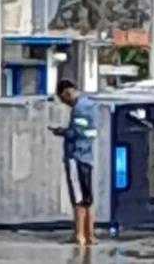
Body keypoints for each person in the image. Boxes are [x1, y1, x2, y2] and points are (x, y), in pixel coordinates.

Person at [52, 79, 97, 246]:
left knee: (78, 199)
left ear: (67, 92)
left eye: (63, 99)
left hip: (75, 157)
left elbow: (76, 133)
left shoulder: (78, 109)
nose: (65, 103)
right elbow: (89, 132)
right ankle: (90, 235)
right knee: (89, 199)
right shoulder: (91, 105)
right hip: (88, 158)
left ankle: (79, 236)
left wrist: (60, 131)